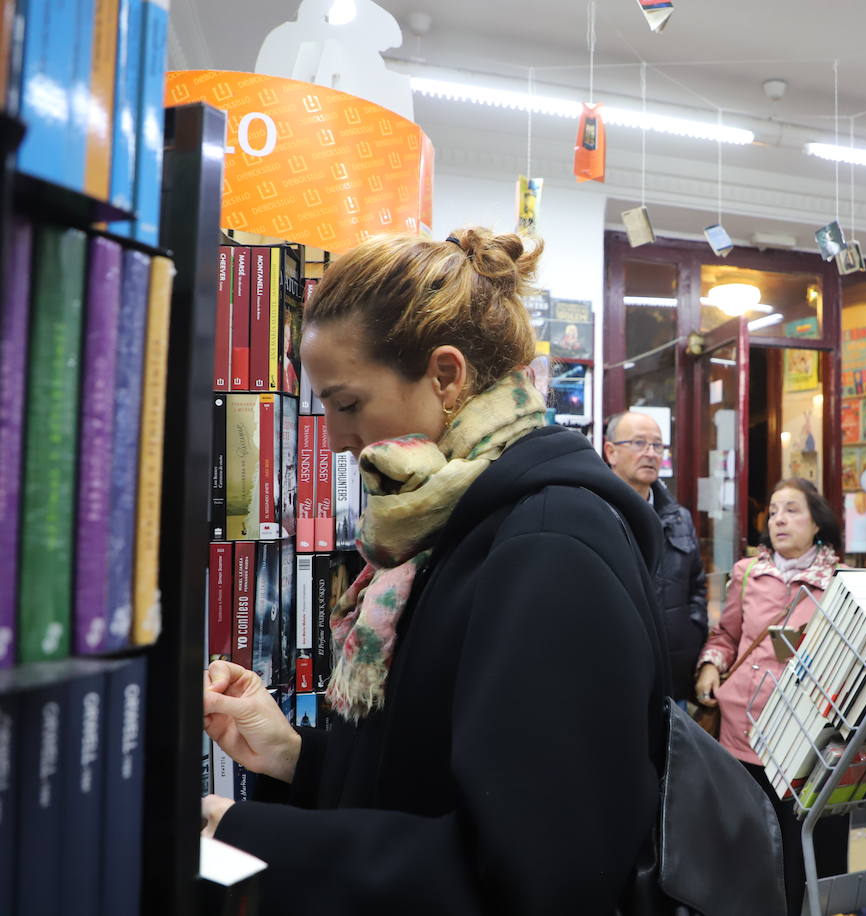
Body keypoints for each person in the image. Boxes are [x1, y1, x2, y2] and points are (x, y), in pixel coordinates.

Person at [200, 228, 672, 915]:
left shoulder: (548, 544)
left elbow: (543, 879)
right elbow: (437, 773)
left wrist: (253, 836)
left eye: (348, 403)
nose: (332, 437)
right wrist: (295, 756)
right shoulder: (453, 523)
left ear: (446, 376)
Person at [695, 478, 846, 916]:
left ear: (817, 522)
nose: (779, 518)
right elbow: (726, 634)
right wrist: (710, 665)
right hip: (742, 728)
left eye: (792, 510)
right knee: (750, 838)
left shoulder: (838, 581)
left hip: (803, 734)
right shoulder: (747, 572)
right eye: (774, 510)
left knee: (799, 843)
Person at [604, 411, 708, 703]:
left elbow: (696, 587)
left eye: (657, 446)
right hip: (615, 679)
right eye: (639, 443)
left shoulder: (679, 518)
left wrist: (692, 631)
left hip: (673, 683)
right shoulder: (594, 512)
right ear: (611, 452)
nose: (651, 454)